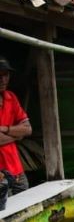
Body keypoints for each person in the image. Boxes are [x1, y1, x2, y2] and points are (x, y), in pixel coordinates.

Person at [0, 57, 32, 194]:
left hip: (16, 169)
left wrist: (5, 129)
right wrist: (17, 136)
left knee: (26, 202)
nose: (2, 80)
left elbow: (28, 129)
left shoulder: (11, 97)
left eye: (5, 75)